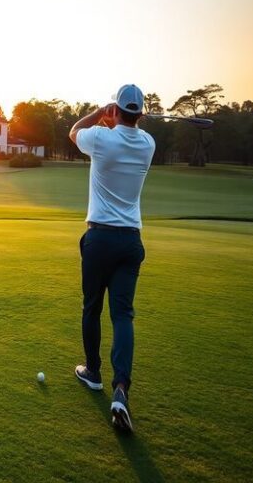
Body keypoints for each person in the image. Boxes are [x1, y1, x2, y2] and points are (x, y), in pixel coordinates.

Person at [68, 84, 156, 433]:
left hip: (100, 237)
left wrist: (98, 111)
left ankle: (93, 372)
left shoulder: (100, 140)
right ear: (142, 114)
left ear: (116, 110)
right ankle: (121, 388)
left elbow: (73, 132)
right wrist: (118, 116)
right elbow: (127, 131)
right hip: (130, 241)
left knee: (92, 306)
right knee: (123, 315)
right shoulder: (148, 144)